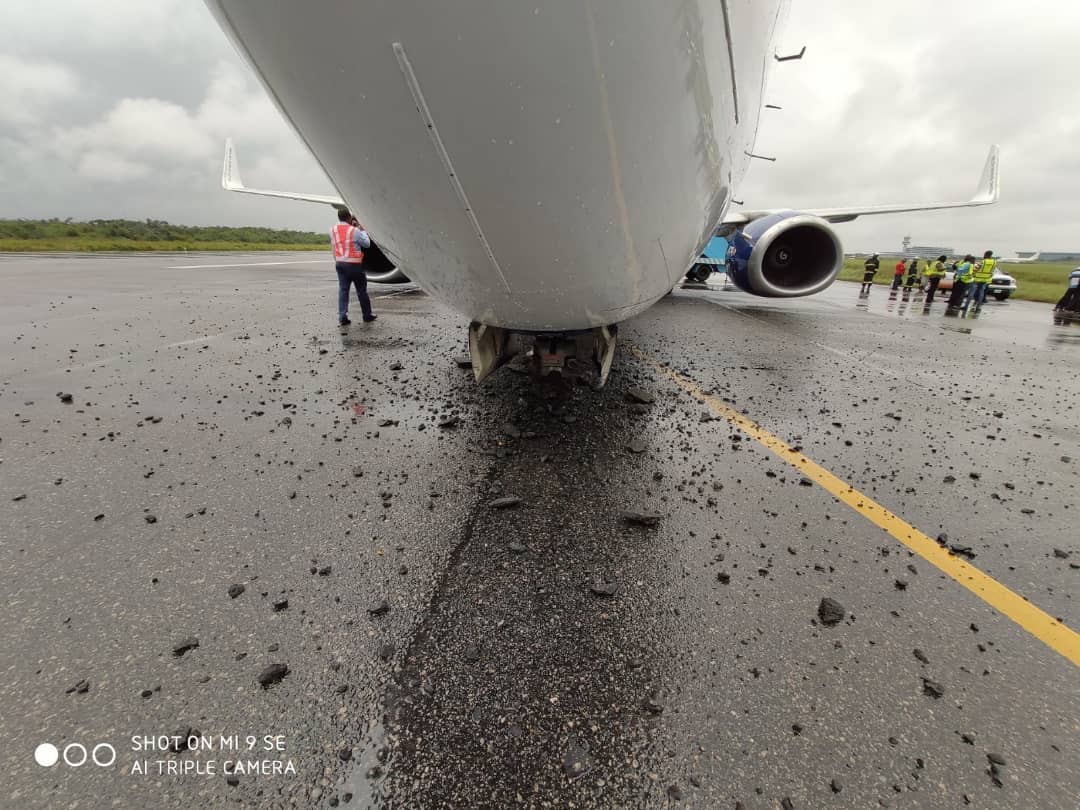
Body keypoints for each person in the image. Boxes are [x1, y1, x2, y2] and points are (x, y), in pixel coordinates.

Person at [331, 208, 376, 325]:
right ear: (349, 217)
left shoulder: (333, 230)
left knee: (343, 290)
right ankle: (367, 315)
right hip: (354, 265)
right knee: (361, 291)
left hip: (340, 264)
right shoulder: (354, 231)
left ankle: (342, 316)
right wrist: (362, 230)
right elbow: (367, 244)